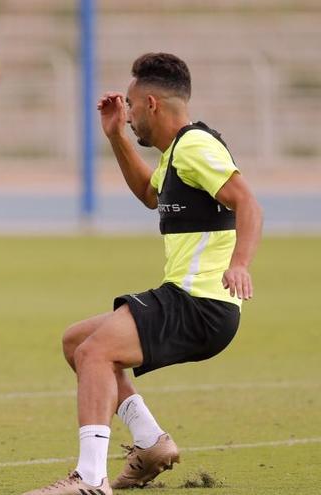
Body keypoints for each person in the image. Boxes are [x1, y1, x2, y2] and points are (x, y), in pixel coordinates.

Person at [22, 53, 263, 495]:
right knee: (77, 342)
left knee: (95, 353)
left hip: (202, 302)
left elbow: (247, 201)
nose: (129, 115)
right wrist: (115, 135)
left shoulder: (195, 147)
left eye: (131, 107)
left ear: (152, 103)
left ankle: (90, 480)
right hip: (189, 298)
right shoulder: (179, 151)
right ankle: (150, 443)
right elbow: (148, 194)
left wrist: (240, 263)